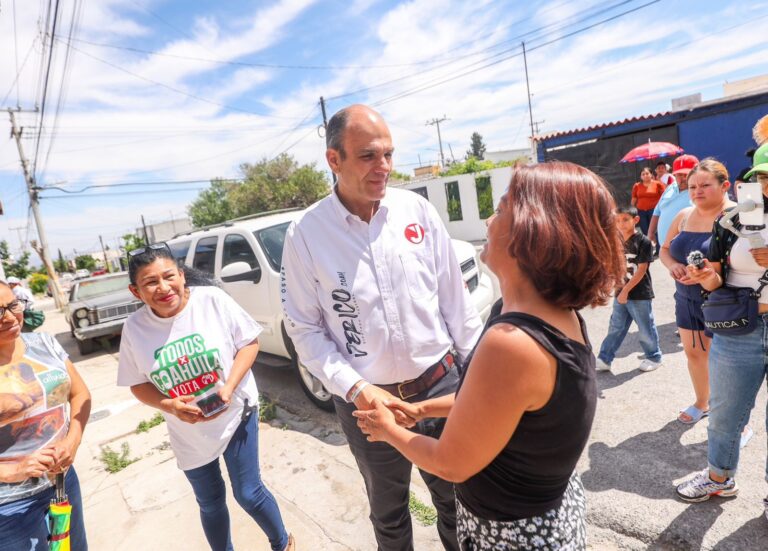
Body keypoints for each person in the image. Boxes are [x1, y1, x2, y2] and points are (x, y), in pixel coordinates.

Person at [353, 162, 625, 549]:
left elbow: (450, 462)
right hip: (545, 517)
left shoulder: (512, 342)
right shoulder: (540, 316)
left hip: (514, 535)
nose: (488, 218)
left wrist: (387, 430)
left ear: (532, 231)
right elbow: (491, 406)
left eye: (500, 209)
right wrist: (421, 410)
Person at [281, 104, 482, 551]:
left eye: (389, 154)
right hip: (368, 405)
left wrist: (479, 376)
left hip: (441, 388)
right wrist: (356, 388)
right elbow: (304, 330)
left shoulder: (417, 212)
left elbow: (455, 301)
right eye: (369, 156)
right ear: (334, 159)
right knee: (389, 514)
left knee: (458, 504)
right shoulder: (306, 235)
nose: (385, 167)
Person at [117, 244, 294, 551]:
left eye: (169, 276)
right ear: (136, 292)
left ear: (182, 276)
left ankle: (282, 544)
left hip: (236, 411)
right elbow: (137, 383)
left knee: (248, 493)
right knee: (210, 502)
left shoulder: (211, 301)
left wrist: (228, 388)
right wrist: (167, 405)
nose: (163, 287)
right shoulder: (134, 329)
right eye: (150, 282)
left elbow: (248, 344)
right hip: (187, 431)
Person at [675, 143, 768, 505]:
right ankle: (718, 479)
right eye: (761, 177)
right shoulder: (736, 219)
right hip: (740, 330)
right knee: (725, 415)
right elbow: (718, 277)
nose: (765, 185)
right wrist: (704, 276)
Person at [0, 280, 91, 550]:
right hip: (9, 505)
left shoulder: (44, 343)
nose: (8, 317)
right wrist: (15, 470)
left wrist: (71, 442)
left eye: (12, 305)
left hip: (62, 481)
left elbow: (80, 395)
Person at [660, 159, 734, 424]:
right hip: (686, 299)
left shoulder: (736, 216)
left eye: (705, 185)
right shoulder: (684, 215)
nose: (697, 191)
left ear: (724, 185)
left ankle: (735, 418)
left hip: (726, 301)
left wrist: (708, 275)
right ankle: (702, 402)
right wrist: (674, 266)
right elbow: (665, 250)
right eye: (692, 186)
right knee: (694, 354)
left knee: (724, 362)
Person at [595, 205, 663, 373]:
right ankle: (604, 358)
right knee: (616, 327)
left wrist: (626, 291)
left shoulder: (643, 241)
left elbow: (641, 270)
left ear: (636, 220)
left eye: (625, 220)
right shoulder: (617, 241)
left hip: (639, 294)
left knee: (645, 326)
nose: (621, 224)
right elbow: (614, 265)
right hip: (621, 292)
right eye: (617, 220)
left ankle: (654, 357)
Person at [648, 154, 699, 251]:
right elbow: (657, 211)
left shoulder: (701, 192)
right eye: (679, 174)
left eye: (687, 174)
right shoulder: (670, 187)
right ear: (674, 174)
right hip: (666, 249)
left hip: (689, 249)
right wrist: (650, 233)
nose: (683, 178)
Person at [631, 167, 666, 237]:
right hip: (641, 211)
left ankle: (657, 246)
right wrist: (631, 210)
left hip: (654, 211)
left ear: (651, 175)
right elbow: (634, 199)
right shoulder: (637, 186)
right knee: (645, 230)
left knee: (655, 229)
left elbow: (664, 197)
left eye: (647, 173)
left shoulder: (658, 184)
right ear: (641, 177)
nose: (645, 175)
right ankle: (649, 245)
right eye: (643, 174)